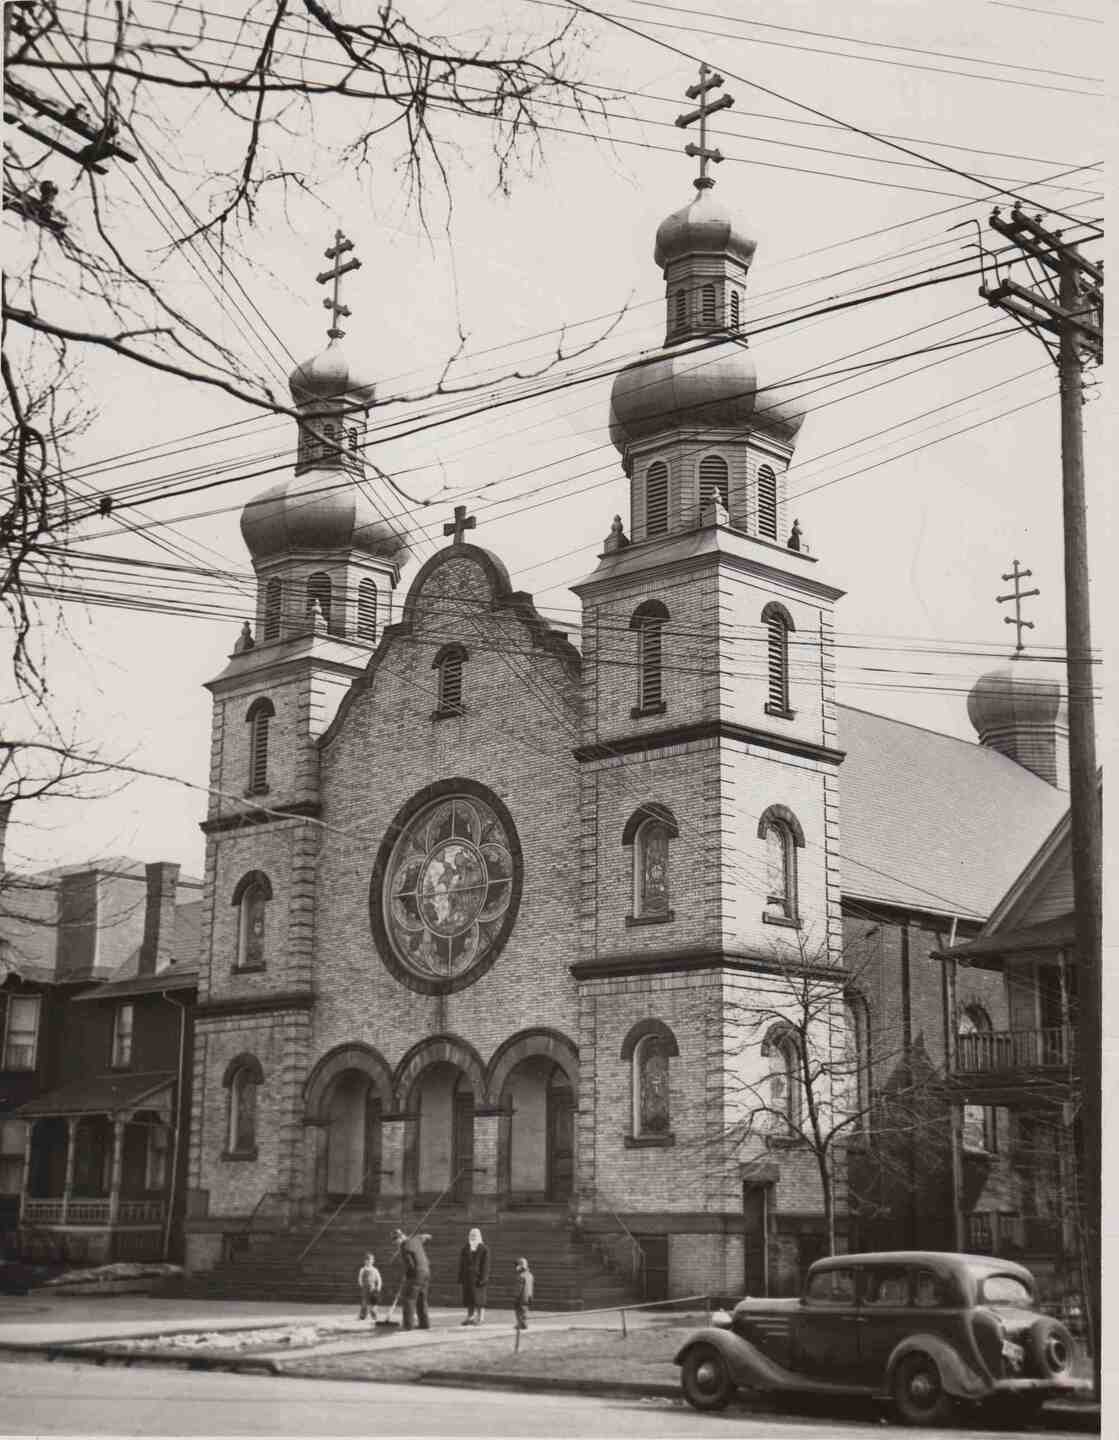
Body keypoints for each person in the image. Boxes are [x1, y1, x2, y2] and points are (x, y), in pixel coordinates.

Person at [392, 1227, 432, 1330]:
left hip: (416, 1273)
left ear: (400, 1237)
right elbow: (425, 1237)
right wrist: (426, 1236)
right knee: (421, 1299)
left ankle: (408, 1325)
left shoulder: (404, 1247)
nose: (396, 1243)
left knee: (408, 1298)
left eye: (396, 1241)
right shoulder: (416, 1239)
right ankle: (424, 1324)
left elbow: (410, 1265)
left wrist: (407, 1278)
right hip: (426, 1272)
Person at [458, 1227, 491, 1326]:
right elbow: (462, 1264)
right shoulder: (465, 1248)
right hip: (468, 1279)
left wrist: (483, 1278)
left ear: (479, 1236)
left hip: (479, 1279)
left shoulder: (484, 1249)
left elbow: (486, 1265)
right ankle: (470, 1317)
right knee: (469, 1300)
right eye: (471, 1235)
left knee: (479, 1301)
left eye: (475, 1235)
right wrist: (460, 1277)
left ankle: (480, 1319)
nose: (473, 1237)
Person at [356, 1251, 383, 1322]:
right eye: (367, 1260)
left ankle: (374, 1316)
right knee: (364, 1303)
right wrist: (362, 1285)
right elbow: (360, 1278)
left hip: (373, 1289)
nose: (369, 1262)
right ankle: (362, 1316)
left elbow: (379, 1279)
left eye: (371, 1260)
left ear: (373, 1261)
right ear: (365, 1261)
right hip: (365, 1289)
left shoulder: (375, 1270)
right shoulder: (362, 1269)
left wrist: (378, 1288)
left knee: (373, 1304)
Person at [513, 1255, 534, 1331]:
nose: (516, 1267)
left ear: (521, 1266)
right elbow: (531, 1287)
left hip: (521, 1297)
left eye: (517, 1265)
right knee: (525, 1311)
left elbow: (519, 1288)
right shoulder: (530, 1275)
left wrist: (516, 1296)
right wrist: (531, 1296)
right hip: (528, 1297)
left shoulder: (520, 1276)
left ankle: (520, 1324)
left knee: (518, 1311)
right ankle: (524, 1323)